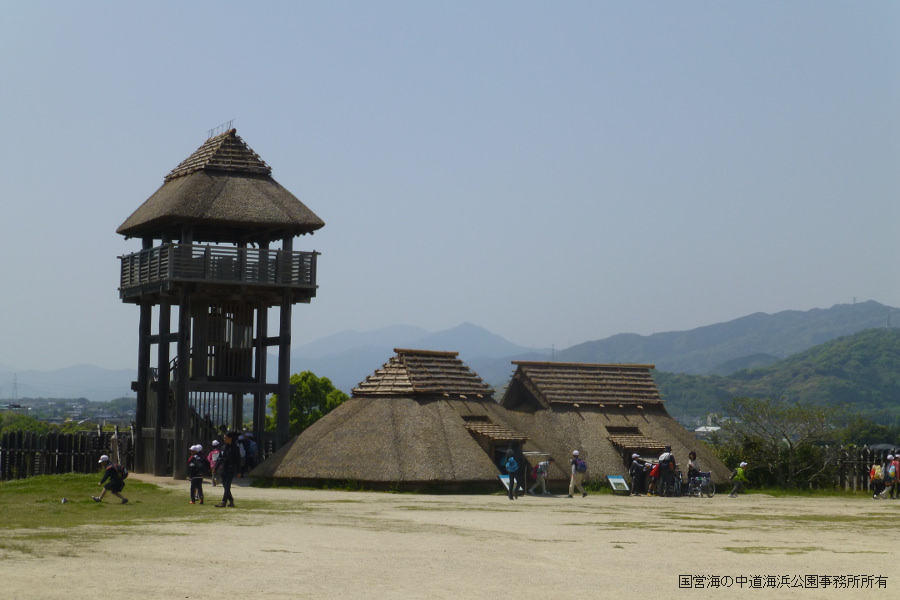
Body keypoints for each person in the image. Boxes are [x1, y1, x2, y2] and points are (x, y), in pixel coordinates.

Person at [215, 431, 239, 507]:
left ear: (230, 438)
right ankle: (231, 501)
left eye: (225, 438)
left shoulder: (235, 448)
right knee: (225, 486)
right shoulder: (223, 447)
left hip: (230, 469)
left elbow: (238, 460)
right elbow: (219, 458)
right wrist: (215, 467)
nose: (224, 439)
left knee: (227, 485)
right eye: (224, 438)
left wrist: (239, 471)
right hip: (223, 468)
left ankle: (223, 502)